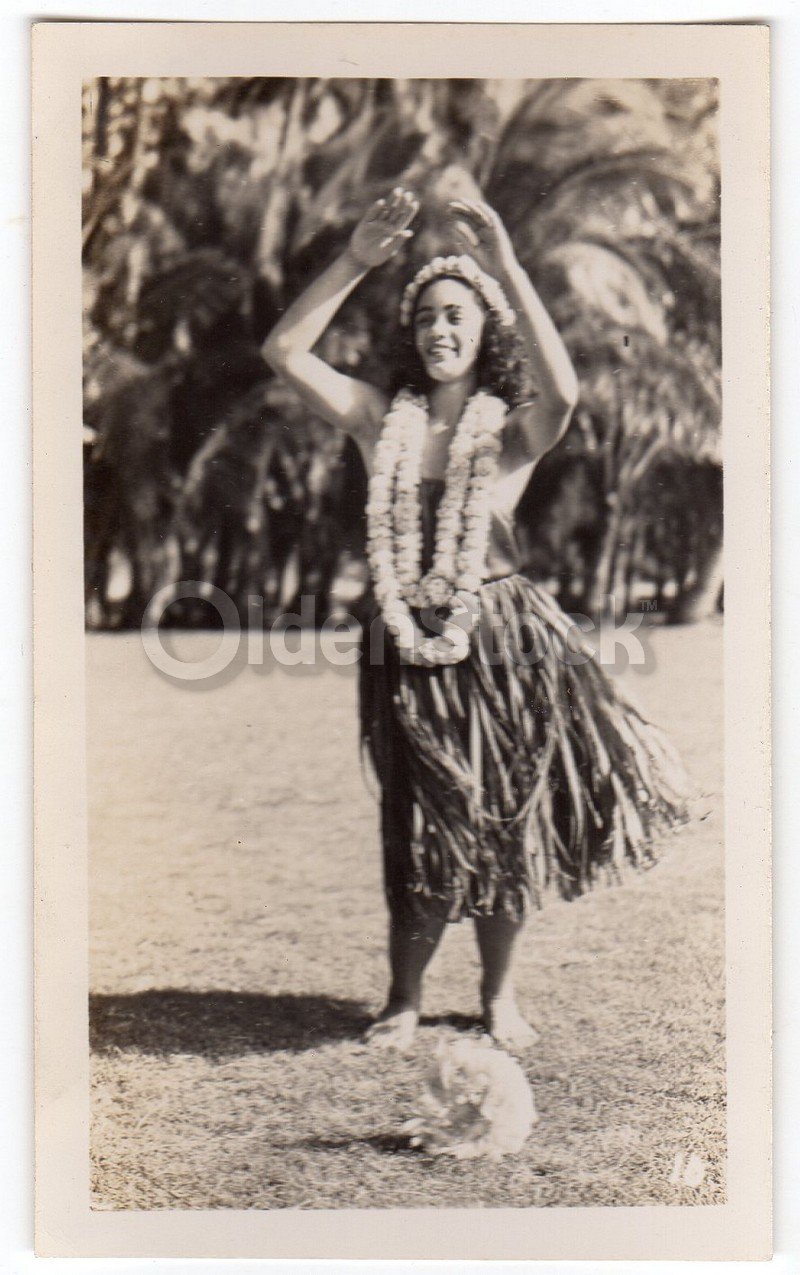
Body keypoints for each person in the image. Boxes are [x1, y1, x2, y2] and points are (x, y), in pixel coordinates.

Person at [263, 186, 687, 1052]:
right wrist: (357, 260)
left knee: (503, 813)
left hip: (501, 640)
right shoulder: (377, 419)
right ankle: (405, 997)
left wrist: (508, 269)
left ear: (486, 328)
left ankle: (499, 996)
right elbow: (283, 348)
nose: (438, 331)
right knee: (416, 818)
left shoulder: (509, 435)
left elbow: (563, 391)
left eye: (456, 316)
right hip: (403, 640)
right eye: (424, 320)